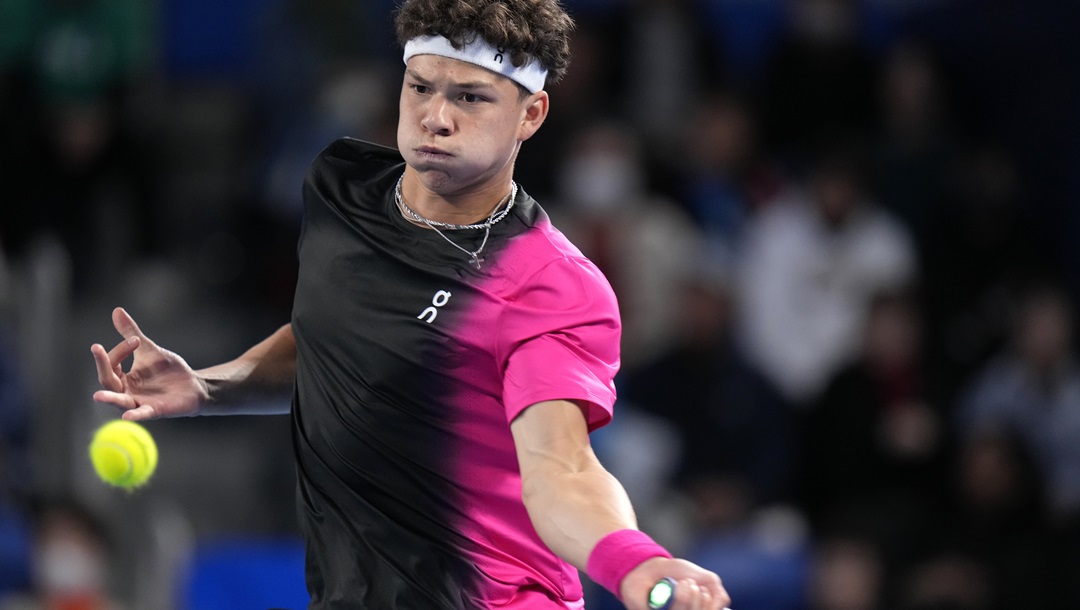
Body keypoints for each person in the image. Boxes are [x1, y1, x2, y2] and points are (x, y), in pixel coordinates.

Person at [88, 1, 731, 609]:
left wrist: (634, 561)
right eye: (420, 87)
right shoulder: (343, 189)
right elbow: (334, 334)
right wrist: (207, 385)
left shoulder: (547, 285)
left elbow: (559, 467)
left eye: (470, 97)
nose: (435, 117)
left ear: (531, 115)